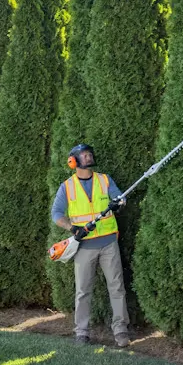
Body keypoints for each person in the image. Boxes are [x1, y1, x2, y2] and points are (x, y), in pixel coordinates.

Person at [51, 143, 130, 347]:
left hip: (108, 243)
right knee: (83, 290)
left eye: (89, 154)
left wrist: (118, 203)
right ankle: (82, 332)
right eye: (84, 155)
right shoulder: (67, 187)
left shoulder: (104, 180)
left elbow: (121, 199)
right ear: (73, 161)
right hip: (84, 246)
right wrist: (72, 228)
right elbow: (57, 214)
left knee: (117, 287)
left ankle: (121, 330)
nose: (89, 157)